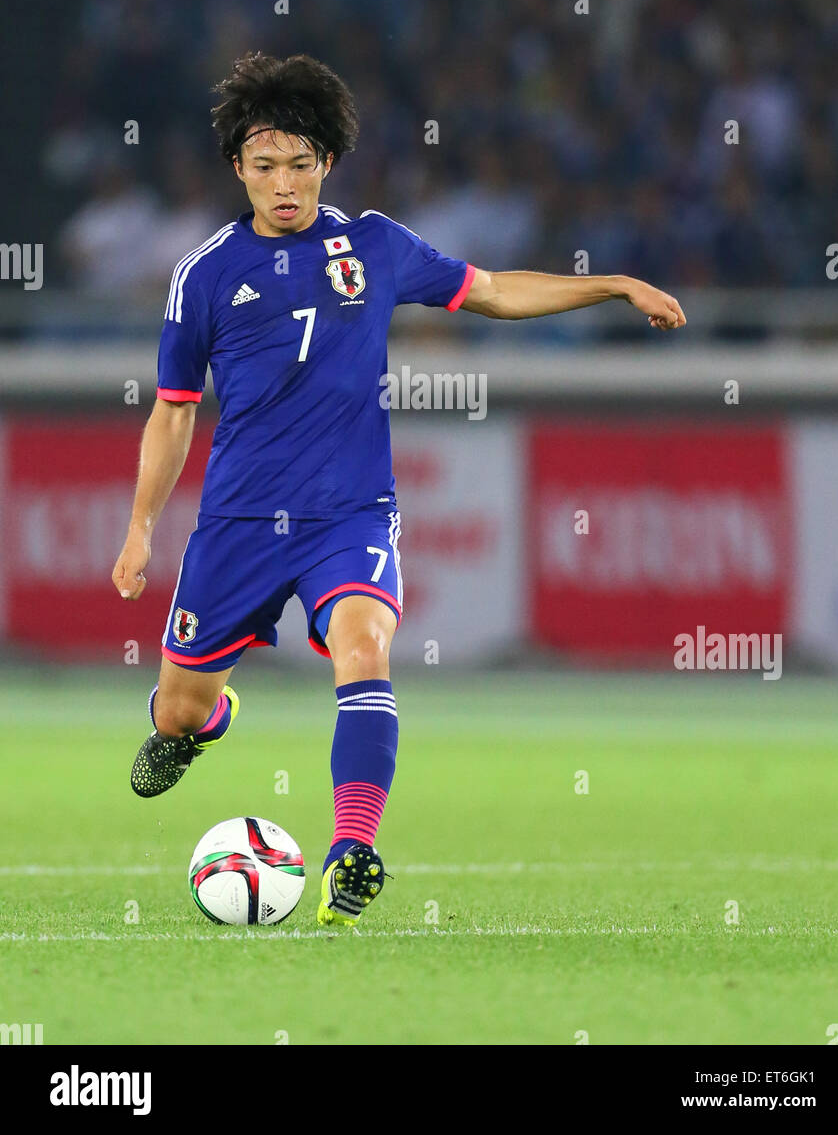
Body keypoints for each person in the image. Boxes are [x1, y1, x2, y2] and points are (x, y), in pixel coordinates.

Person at [111, 51, 686, 928]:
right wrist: (141, 528)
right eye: (266, 166)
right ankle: (201, 721)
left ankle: (354, 849)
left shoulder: (373, 244)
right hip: (236, 523)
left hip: (350, 513)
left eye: (301, 163)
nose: (285, 183)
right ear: (239, 170)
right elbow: (174, 411)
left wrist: (610, 284)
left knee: (365, 649)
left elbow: (492, 291)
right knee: (182, 708)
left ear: (327, 163)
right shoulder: (205, 274)